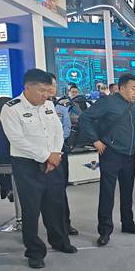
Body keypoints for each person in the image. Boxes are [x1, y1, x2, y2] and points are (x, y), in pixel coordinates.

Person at [0, 69, 76, 268]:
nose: (46, 95)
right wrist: (46, 156)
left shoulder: (49, 105)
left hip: (54, 162)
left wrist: (55, 154)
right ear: (28, 87)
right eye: (42, 90)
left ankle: (59, 240)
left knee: (56, 205)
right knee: (31, 210)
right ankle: (34, 251)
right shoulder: (11, 109)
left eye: (48, 90)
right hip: (27, 167)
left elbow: (57, 131)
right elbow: (17, 140)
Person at [78, 73, 135, 246]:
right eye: (133, 88)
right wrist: (95, 140)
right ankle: (105, 230)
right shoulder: (108, 102)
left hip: (129, 155)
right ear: (121, 88)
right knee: (107, 193)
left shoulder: (133, 106)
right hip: (111, 154)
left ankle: (128, 223)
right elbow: (85, 118)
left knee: (127, 191)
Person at [49, 73, 78, 236]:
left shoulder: (61, 109)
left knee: (61, 188)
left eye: (53, 85)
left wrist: (57, 144)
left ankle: (66, 224)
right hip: (41, 155)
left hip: (60, 151)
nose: (51, 89)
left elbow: (66, 129)